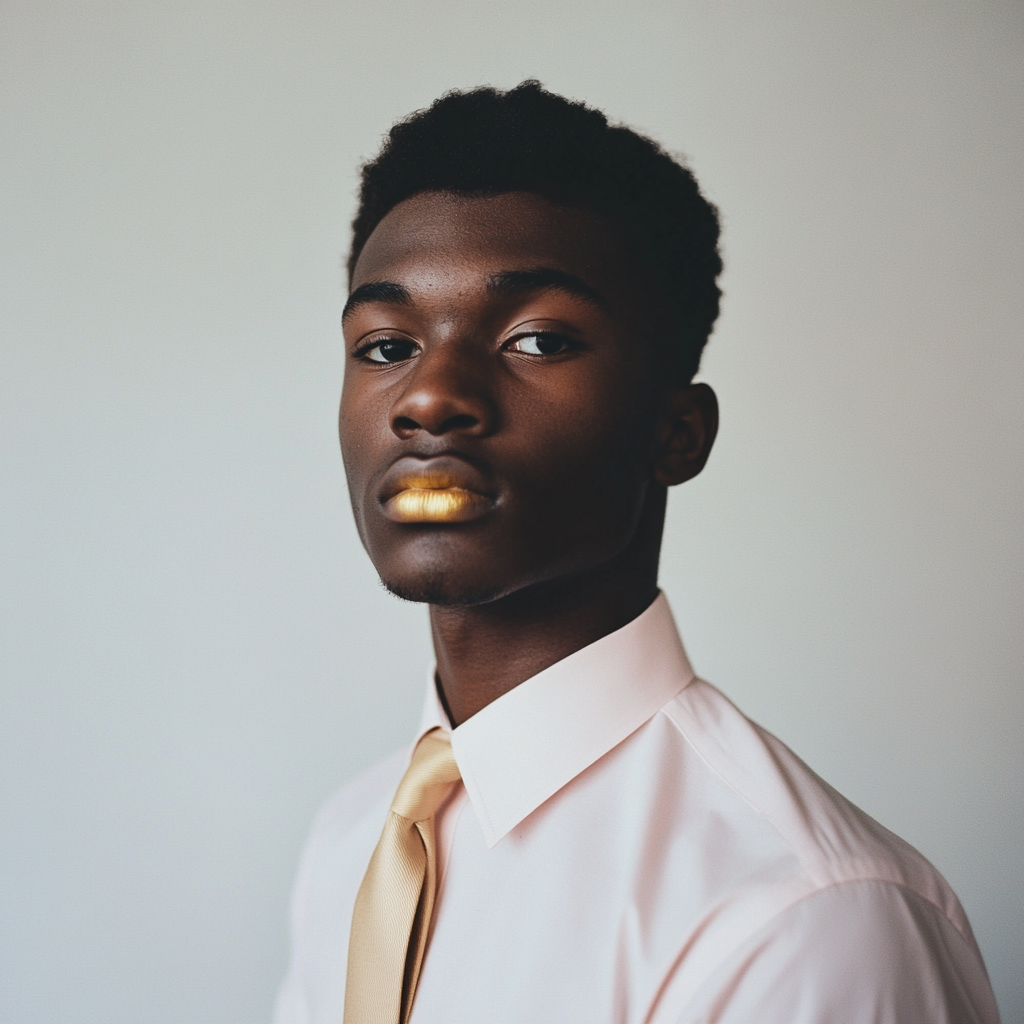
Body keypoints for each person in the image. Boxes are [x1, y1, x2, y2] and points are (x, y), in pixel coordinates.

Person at [273, 82, 998, 1024]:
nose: (429, 397)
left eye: (537, 338)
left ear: (677, 432)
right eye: (384, 346)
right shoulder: (347, 841)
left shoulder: (807, 921)